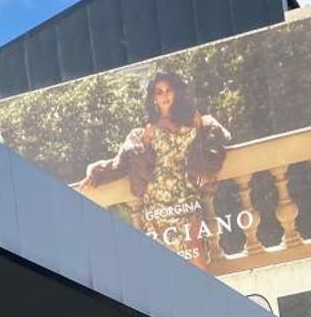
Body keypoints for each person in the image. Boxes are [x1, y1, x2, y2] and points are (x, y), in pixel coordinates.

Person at [78, 70, 231, 267]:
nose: (165, 95)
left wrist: (209, 168)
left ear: (176, 92)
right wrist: (96, 173)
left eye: (168, 90)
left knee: (198, 255)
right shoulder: (147, 130)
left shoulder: (192, 118)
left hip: (187, 196)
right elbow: (121, 163)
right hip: (158, 204)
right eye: (159, 92)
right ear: (153, 98)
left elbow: (215, 138)